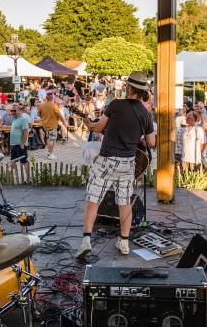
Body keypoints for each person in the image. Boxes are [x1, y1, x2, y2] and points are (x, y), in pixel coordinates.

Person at [75, 71, 155, 259]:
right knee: (124, 201)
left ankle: (86, 240)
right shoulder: (145, 113)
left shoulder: (115, 105)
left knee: (93, 198)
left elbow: (98, 128)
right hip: (128, 163)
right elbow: (151, 142)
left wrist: (88, 123)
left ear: (128, 88)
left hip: (107, 160)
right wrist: (137, 136)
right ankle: (124, 242)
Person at [38, 93, 66, 160]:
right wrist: (64, 122)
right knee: (52, 140)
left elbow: (38, 114)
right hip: (52, 125)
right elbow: (59, 115)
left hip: (44, 125)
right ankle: (50, 154)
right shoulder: (54, 106)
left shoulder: (41, 105)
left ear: (46, 98)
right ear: (52, 98)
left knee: (48, 139)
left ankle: (49, 152)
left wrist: (44, 117)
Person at [9, 104, 31, 184]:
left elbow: (26, 132)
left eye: (14, 110)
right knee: (13, 161)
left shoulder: (23, 119)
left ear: (19, 110)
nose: (12, 112)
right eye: (11, 110)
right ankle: (11, 178)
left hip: (20, 144)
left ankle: (28, 179)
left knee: (24, 161)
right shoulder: (14, 119)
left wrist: (22, 143)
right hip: (14, 144)